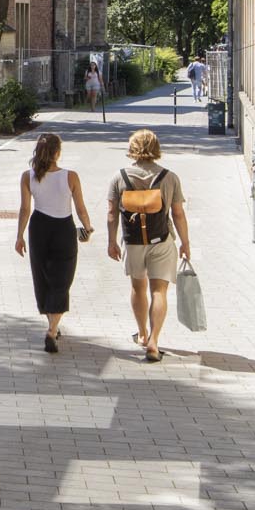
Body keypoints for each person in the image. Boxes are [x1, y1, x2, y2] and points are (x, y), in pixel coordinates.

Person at [107, 129, 191, 361]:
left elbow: (112, 213)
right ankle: (154, 341)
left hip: (133, 242)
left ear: (132, 148)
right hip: (161, 240)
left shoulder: (119, 177)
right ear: (156, 148)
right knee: (159, 290)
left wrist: (111, 242)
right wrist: (185, 243)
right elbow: (178, 214)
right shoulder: (170, 177)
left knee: (137, 287)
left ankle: (142, 333)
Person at [14, 132, 93, 353]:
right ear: (58, 153)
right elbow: (81, 208)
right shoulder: (71, 176)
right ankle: (52, 329)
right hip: (63, 228)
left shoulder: (27, 176)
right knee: (62, 278)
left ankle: (52, 326)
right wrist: (87, 228)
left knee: (43, 277)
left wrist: (19, 236)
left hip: (38, 227)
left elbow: (24, 210)